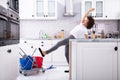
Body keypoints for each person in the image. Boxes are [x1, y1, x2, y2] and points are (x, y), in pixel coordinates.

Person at [38, 8, 95, 72]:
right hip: (70, 38)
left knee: (59, 43)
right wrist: (89, 11)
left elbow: (86, 38)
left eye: (86, 20)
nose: (84, 19)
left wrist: (90, 43)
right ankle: (71, 68)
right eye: (85, 19)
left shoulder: (85, 29)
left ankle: (45, 52)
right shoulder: (81, 24)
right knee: (66, 54)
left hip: (72, 38)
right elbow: (85, 15)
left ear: (88, 23)